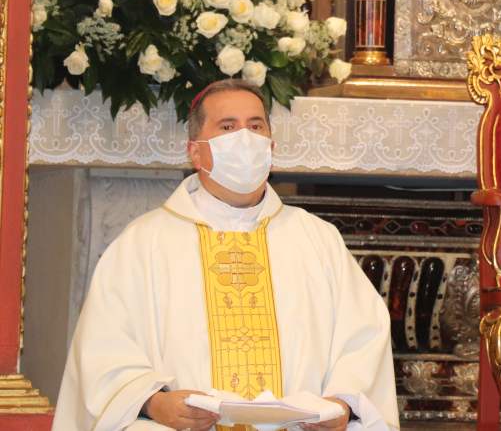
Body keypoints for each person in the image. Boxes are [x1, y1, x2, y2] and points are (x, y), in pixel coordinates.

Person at [52, 79, 399, 431]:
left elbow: (363, 340)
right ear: (195, 151)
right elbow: (104, 354)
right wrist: (155, 403)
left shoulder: (318, 239)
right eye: (228, 127)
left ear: (271, 145)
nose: (245, 138)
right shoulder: (143, 244)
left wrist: (341, 405)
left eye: (255, 126)